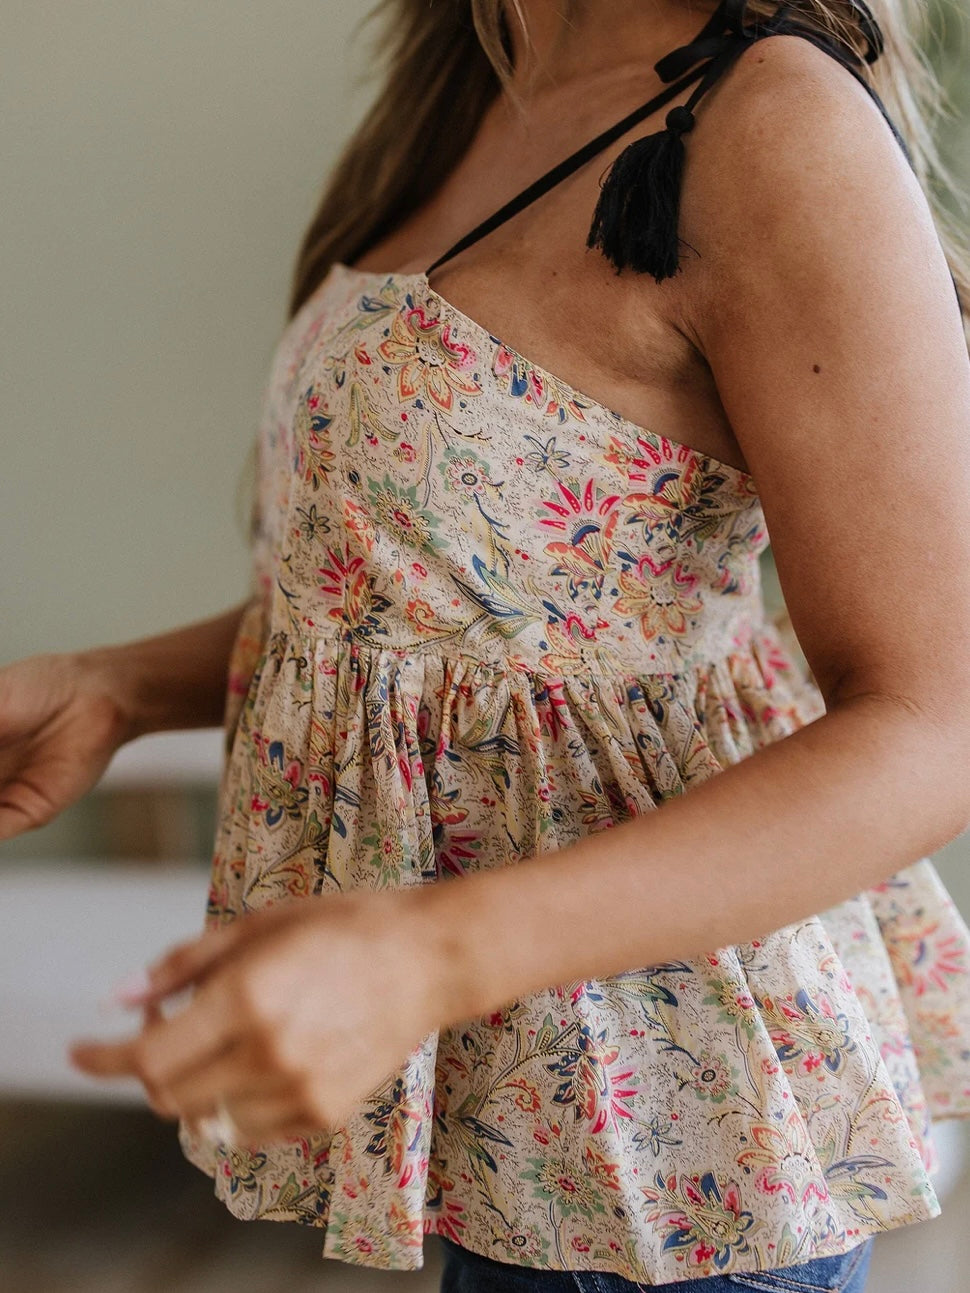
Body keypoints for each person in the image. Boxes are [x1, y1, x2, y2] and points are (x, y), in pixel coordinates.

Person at [4, 0, 970, 1288]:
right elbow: (470, 610)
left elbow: (937, 718)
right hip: (502, 1117)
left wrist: (428, 956)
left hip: (661, 1138)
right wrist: (118, 689)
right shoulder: (483, 83)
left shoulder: (769, 122)